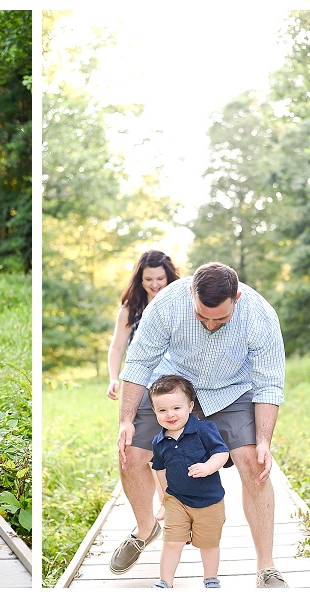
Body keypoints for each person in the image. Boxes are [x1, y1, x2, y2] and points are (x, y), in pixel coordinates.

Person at [111, 261, 289, 588]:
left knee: (255, 464)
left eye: (220, 318)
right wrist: (126, 420)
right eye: (201, 316)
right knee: (129, 454)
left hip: (231, 390)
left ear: (236, 297)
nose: (209, 324)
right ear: (191, 292)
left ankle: (267, 566)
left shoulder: (260, 316)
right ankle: (146, 526)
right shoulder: (166, 304)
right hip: (172, 383)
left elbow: (269, 384)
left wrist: (264, 440)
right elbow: (137, 364)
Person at [107, 249, 180, 520]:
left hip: (175, 384)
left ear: (169, 277)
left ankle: (170, 502)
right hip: (142, 385)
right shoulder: (130, 309)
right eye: (148, 279)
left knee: (171, 445)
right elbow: (116, 348)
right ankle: (162, 503)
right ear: (140, 279)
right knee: (145, 447)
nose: (155, 284)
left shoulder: (179, 304)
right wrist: (114, 378)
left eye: (160, 278)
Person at [147, 375, 228, 589]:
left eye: (176, 408)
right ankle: (165, 582)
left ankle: (210, 578)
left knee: (208, 543)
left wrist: (208, 467)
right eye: (162, 410)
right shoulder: (159, 441)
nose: (170, 415)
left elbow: (222, 453)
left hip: (209, 500)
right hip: (177, 500)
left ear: (190, 406)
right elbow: (160, 469)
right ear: (154, 411)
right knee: (172, 541)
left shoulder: (204, 429)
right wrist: (165, 499)